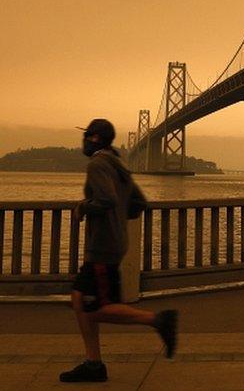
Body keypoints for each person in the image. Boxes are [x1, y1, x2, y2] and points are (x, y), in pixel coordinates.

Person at [60, 118, 178, 383]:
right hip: (112, 242)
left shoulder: (98, 164)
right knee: (80, 298)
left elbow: (105, 200)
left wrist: (82, 208)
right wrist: (117, 219)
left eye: (87, 135)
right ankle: (93, 363)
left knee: (97, 306)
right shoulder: (119, 165)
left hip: (103, 246)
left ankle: (159, 320)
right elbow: (138, 203)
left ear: (95, 139)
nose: (84, 140)